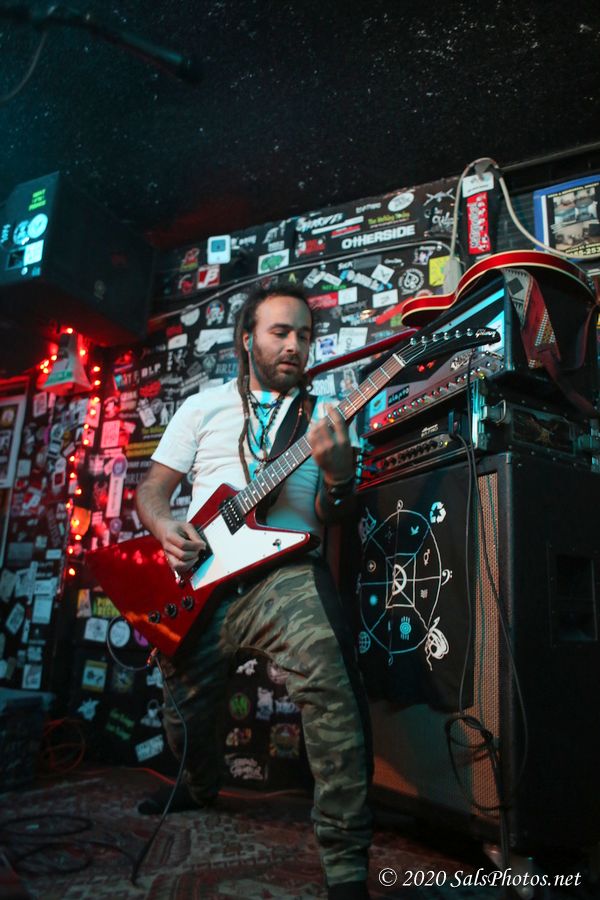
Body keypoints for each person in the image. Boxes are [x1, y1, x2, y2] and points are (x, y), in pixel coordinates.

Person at [135, 282, 373, 900]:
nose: (295, 345)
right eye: (280, 332)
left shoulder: (327, 415)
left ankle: (346, 866)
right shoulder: (203, 406)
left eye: (304, 336)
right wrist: (164, 528)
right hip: (204, 580)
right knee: (182, 713)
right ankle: (198, 787)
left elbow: (335, 513)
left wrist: (339, 478)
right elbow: (152, 491)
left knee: (331, 684)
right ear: (247, 339)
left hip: (285, 572)